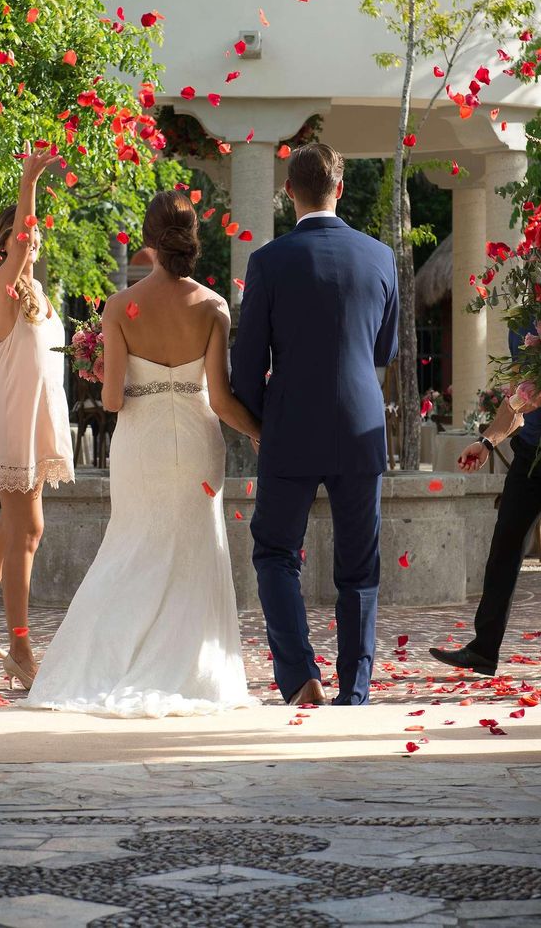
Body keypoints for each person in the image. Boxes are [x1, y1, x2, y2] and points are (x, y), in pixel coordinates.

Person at [26, 190, 262, 717]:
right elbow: (221, 399)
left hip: (141, 441)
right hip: (199, 441)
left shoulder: (118, 307)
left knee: (131, 546)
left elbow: (111, 399)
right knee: (194, 551)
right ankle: (189, 669)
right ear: (191, 238)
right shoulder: (214, 307)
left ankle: (103, 662)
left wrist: (130, 378)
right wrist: (259, 430)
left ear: (148, 240)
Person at [230, 143, 400, 707]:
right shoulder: (379, 257)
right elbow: (383, 348)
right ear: (340, 189)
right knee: (360, 568)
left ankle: (301, 676)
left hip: (290, 427)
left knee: (275, 552)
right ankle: (355, 688)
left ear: (288, 192)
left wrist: (260, 425)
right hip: (360, 425)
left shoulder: (269, 261)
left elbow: (247, 365)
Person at [0, 152, 75, 691]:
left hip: (32, 421)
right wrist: (29, 179)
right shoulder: (2, 289)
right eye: (18, 237)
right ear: (4, 244)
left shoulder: (36, 296)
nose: (29, 243)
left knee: (13, 525)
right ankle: (20, 645)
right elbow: (27, 239)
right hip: (12, 423)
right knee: (29, 530)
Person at [428, 325, 541, 683]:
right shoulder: (518, 327)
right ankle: (483, 650)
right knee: (504, 547)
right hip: (529, 452)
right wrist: (486, 443)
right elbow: (517, 399)